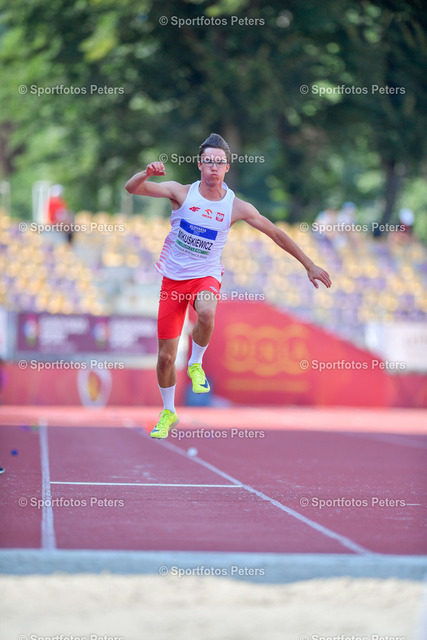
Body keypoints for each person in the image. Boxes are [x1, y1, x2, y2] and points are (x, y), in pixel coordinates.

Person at [125, 133, 332, 438]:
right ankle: (168, 412)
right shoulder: (180, 193)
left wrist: (309, 264)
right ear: (199, 164)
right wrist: (146, 173)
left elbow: (276, 234)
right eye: (208, 161)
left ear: (227, 168)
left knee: (207, 313)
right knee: (166, 358)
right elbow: (132, 188)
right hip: (173, 280)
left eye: (219, 162)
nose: (213, 167)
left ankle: (196, 363)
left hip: (206, 275)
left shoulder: (235, 206)